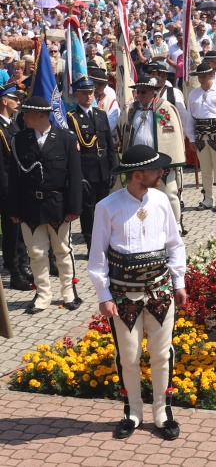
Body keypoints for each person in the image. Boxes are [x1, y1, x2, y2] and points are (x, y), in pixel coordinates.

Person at [88, 145, 186, 441]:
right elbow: (98, 256)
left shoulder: (161, 200)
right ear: (137, 174)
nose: (161, 172)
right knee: (128, 355)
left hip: (160, 292)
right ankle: (132, 412)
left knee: (161, 353)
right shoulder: (107, 207)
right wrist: (103, 295)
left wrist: (179, 281)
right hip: (123, 296)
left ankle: (162, 411)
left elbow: (174, 243)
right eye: (156, 169)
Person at [7, 97, 83, 314]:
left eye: (28, 113)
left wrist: (74, 207)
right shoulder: (19, 140)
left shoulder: (66, 139)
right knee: (36, 253)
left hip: (58, 205)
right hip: (29, 206)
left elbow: (75, 176)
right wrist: (14, 209)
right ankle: (42, 294)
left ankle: (68, 292)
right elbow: (14, 177)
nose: (23, 117)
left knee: (62, 249)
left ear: (42, 115)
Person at [121, 77, 187, 234]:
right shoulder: (133, 109)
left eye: (143, 92)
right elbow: (127, 132)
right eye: (137, 92)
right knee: (142, 194)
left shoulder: (165, 108)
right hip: (140, 162)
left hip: (160, 160)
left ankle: (176, 224)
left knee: (169, 192)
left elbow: (172, 136)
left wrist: (171, 159)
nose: (139, 95)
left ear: (153, 92)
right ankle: (148, 224)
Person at [67, 77, 119, 256]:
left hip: (103, 168)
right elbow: (73, 152)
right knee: (88, 211)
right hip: (86, 171)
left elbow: (109, 145)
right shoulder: (72, 118)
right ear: (76, 95)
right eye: (84, 93)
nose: (89, 96)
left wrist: (114, 167)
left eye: (91, 92)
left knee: (105, 208)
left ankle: (106, 243)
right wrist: (78, 176)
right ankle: (92, 246)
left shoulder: (100, 114)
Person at [185, 62, 216, 212]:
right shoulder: (193, 94)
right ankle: (207, 199)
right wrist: (191, 138)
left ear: (211, 75)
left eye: (205, 75)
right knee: (205, 169)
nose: (202, 78)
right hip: (201, 137)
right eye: (200, 75)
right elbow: (189, 118)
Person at [0, 84, 32, 290]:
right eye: (14, 98)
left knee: (20, 228)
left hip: (17, 186)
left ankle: (23, 263)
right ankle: (13, 270)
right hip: (6, 187)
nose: (18, 101)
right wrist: (7, 191)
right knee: (11, 229)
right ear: (4, 101)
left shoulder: (12, 125)